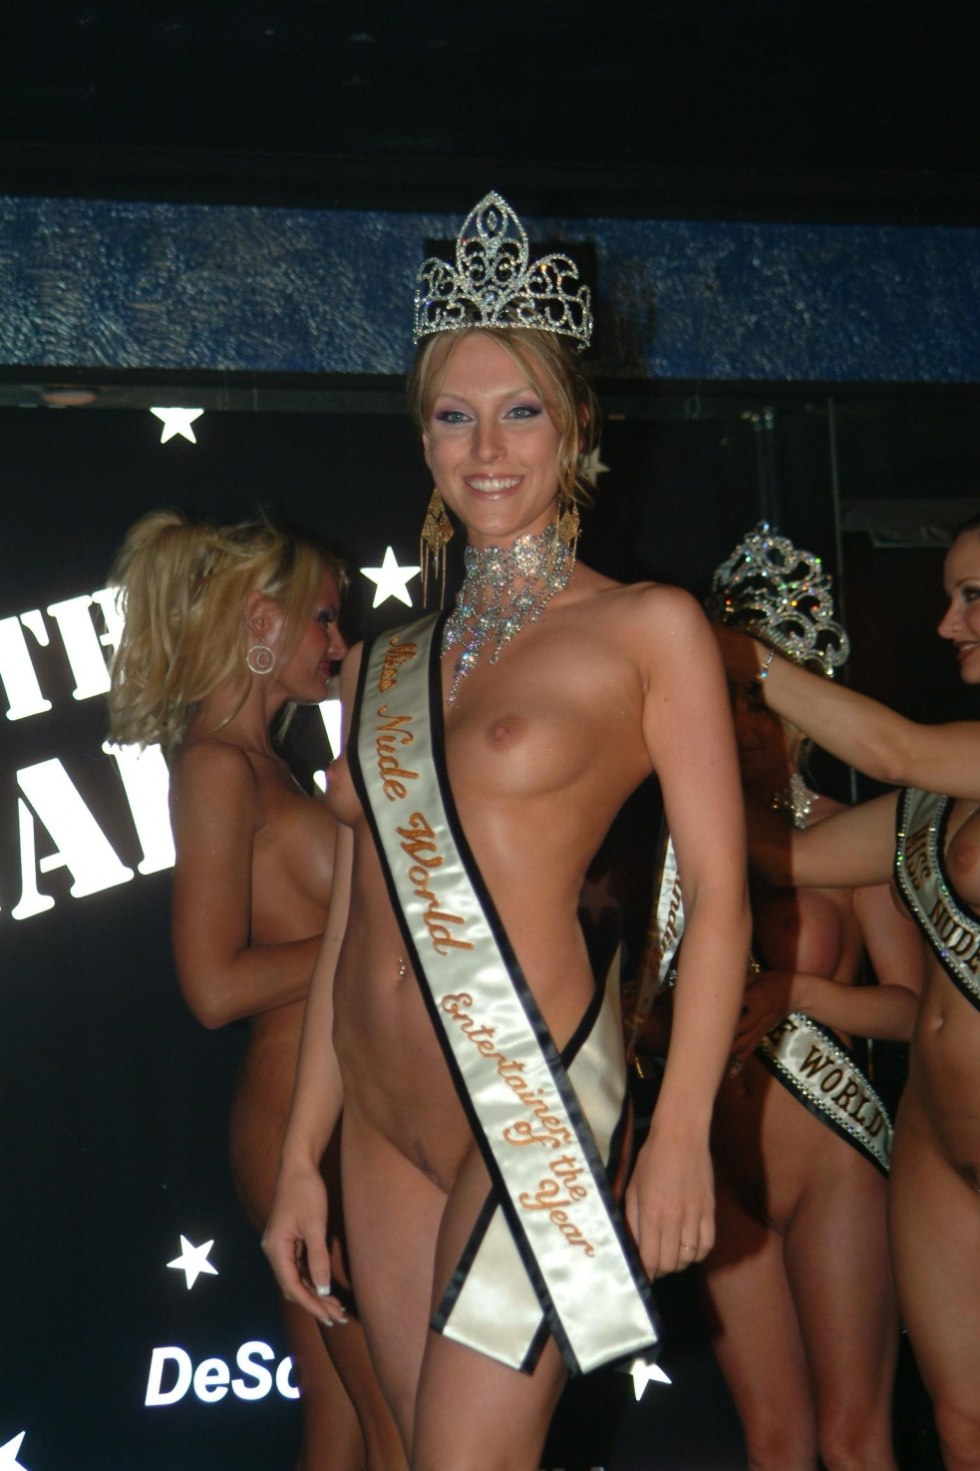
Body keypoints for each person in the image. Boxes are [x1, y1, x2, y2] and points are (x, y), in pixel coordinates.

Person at [261, 191, 751, 1471]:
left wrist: (681, 1127)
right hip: (379, 1121)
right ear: (421, 434)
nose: (485, 447)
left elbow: (718, 894)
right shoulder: (380, 663)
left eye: (520, 410)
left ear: (575, 428)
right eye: (453, 414)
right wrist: (301, 1154)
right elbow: (354, 922)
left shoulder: (647, 628)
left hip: (530, 1100)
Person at [107, 511, 405, 1471]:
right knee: (399, 1424)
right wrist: (370, 939)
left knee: (344, 1432)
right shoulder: (215, 766)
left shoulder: (267, 767)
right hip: (297, 1122)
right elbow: (212, 985)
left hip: (328, 1114)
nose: (339, 641)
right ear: (260, 621)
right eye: (323, 617)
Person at [715, 512, 980, 1471]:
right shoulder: (935, 795)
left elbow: (894, 749)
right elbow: (792, 853)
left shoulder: (930, 759)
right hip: (936, 1144)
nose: (949, 623)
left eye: (973, 597)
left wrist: (735, 653)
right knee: (962, 1427)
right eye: (949, 598)